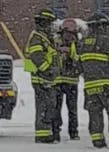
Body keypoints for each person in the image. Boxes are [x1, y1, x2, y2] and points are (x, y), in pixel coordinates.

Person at [76, 13, 109, 149]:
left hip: (90, 87)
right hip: (108, 85)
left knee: (95, 114)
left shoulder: (82, 44)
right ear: (102, 27)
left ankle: (97, 140)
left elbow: (78, 66)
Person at [25, 8, 60, 144]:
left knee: (49, 106)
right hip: (41, 78)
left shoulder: (45, 38)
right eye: (50, 23)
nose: (52, 26)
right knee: (44, 107)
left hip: (47, 79)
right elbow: (37, 57)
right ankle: (42, 135)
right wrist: (48, 70)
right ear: (44, 23)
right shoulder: (37, 38)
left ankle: (46, 133)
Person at [52, 18, 82, 141]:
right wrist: (59, 52)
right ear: (62, 32)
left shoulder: (78, 44)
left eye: (71, 33)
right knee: (56, 108)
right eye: (67, 33)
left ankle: (73, 132)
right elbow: (51, 56)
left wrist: (71, 55)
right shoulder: (54, 42)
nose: (69, 36)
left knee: (72, 109)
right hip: (58, 80)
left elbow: (81, 59)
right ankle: (55, 131)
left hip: (72, 80)